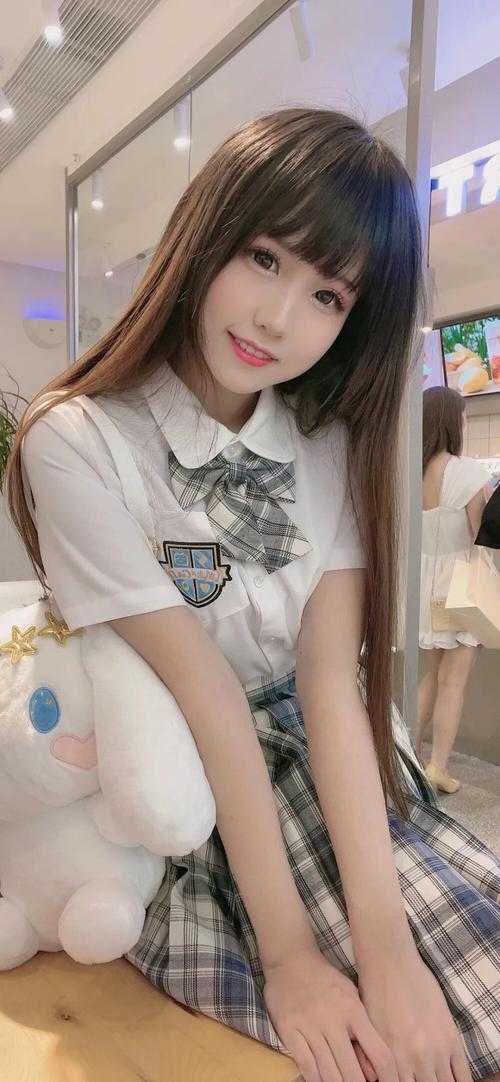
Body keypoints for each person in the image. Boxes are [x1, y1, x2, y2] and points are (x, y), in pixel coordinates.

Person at [6, 109, 500, 1082]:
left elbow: (328, 687)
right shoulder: (77, 438)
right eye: (264, 258)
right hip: (178, 776)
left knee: (457, 975)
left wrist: (387, 947)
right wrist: (290, 958)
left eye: (327, 294)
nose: (278, 317)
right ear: (207, 234)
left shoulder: (326, 442)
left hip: (332, 763)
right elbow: (202, 691)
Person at [416, 387, 492, 794]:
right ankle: (437, 767)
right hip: (461, 584)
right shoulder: (468, 473)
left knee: (431, 676)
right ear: (451, 421)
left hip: (426, 583)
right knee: (453, 683)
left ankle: (407, 756)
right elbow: (481, 535)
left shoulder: (412, 469)